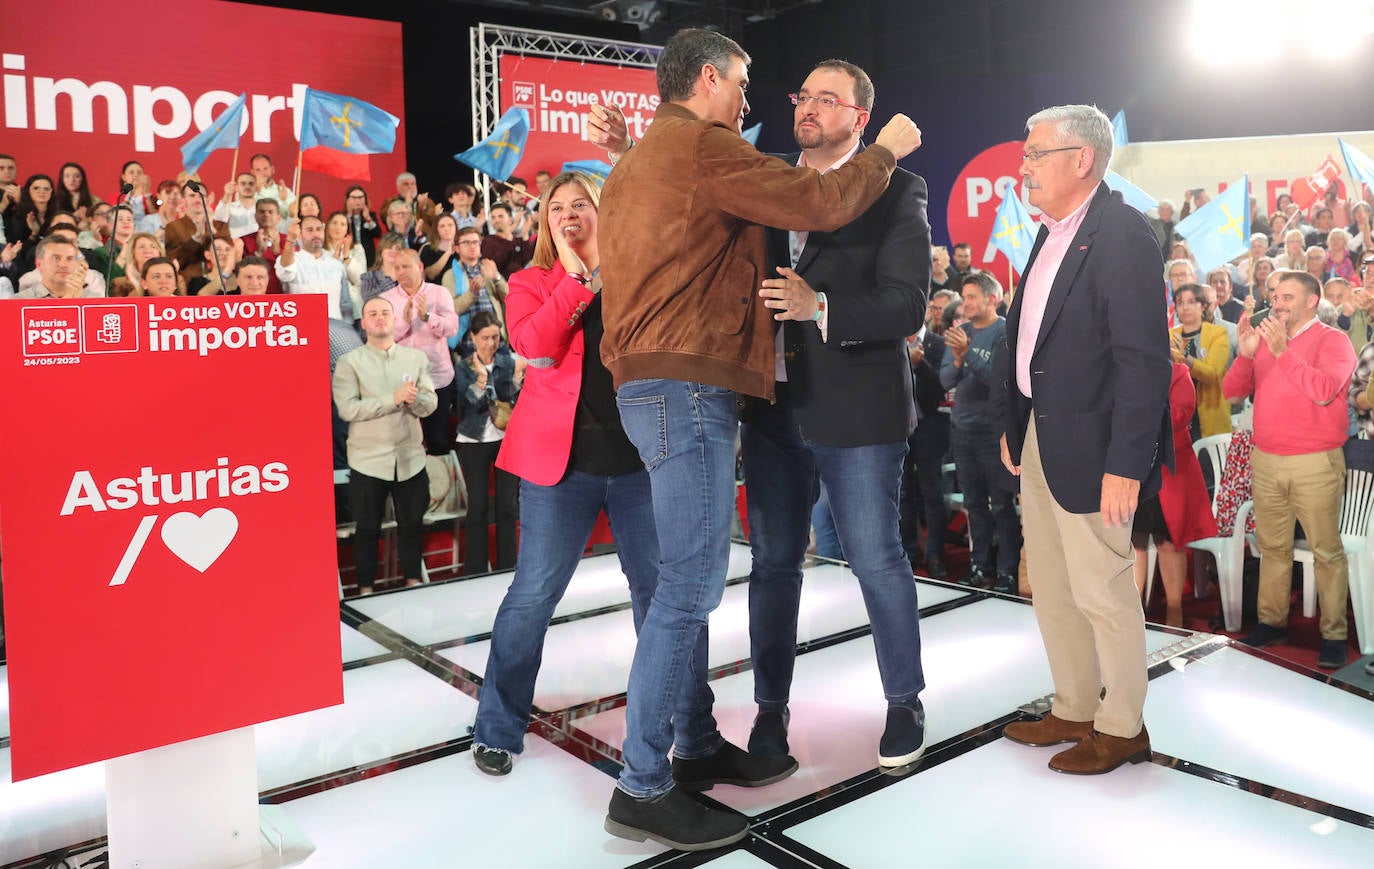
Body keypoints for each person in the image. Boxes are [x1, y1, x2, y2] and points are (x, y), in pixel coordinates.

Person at [589, 27, 921, 850]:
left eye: (820, 97)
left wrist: (828, 307)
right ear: (709, 79)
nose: (772, 103)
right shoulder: (713, 151)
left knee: (857, 558)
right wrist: (881, 150)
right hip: (710, 392)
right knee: (696, 587)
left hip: (778, 401)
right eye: (758, 87)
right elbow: (814, 203)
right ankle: (646, 782)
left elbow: (903, 299)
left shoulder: (654, 156)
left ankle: (703, 746)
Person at [471, 171, 662, 777]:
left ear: (606, 211)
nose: (570, 214)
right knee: (532, 597)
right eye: (558, 207)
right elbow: (536, 345)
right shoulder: (532, 281)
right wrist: (578, 281)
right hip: (560, 468)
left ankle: (668, 720)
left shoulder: (639, 274)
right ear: (545, 222)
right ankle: (498, 726)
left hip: (641, 465)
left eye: (582, 204)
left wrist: (609, 274)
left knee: (658, 597)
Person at [999, 104, 1171, 775]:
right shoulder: (1052, 232)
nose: (1024, 166)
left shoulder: (1123, 234)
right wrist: (1020, 427)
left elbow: (1144, 361)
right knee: (1054, 582)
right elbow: (1033, 343)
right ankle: (1073, 705)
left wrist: (1128, 462)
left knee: (1101, 588)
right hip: (1042, 435)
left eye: (1036, 152)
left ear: (1081, 160)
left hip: (1098, 450)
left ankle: (1122, 725)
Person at [1225, 271, 1358, 670]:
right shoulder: (1266, 339)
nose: (1277, 303)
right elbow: (1232, 392)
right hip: (1265, 459)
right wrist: (1247, 354)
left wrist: (1283, 351)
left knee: (1326, 552)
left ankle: (1334, 634)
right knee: (1273, 548)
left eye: (1286, 296)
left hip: (1316, 462)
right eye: (1275, 296)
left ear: (1312, 300)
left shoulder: (1335, 341)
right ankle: (1271, 621)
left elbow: (1322, 391)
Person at [332, 296, 437, 596]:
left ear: (395, 320)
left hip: (410, 457)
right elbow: (348, 410)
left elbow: (430, 404)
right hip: (368, 459)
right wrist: (392, 400)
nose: (380, 318)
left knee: (412, 525)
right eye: (372, 314)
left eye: (385, 313)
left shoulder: (415, 358)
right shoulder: (349, 362)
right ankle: (365, 590)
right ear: (362, 323)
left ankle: (414, 584)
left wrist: (413, 399)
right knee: (367, 529)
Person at [942, 271, 1019, 591]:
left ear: (992, 299)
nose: (966, 302)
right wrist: (959, 359)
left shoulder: (1005, 333)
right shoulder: (960, 333)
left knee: (1001, 504)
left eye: (972, 296)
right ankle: (979, 564)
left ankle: (1007, 570)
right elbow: (945, 381)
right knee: (974, 503)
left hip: (994, 434)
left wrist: (968, 352)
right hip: (963, 431)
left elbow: (998, 380)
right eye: (965, 296)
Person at [1131, 362, 1217, 627]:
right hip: (1132, 468)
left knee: (1168, 543)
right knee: (1134, 543)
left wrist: (1136, 412)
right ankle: (1133, 614)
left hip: (1170, 471)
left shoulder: (1178, 372)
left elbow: (1180, 416)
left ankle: (1174, 612)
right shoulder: (1122, 368)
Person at [452, 311, 520, 575]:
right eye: (484, 338)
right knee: (478, 505)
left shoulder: (506, 360)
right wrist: (481, 381)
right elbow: (468, 402)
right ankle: (476, 569)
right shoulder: (463, 366)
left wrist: (515, 381)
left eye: (495, 337)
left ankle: (508, 565)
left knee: (507, 505)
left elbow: (512, 397)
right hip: (473, 439)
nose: (490, 343)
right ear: (473, 337)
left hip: (504, 437)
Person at [382, 249, 459, 454]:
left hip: (436, 378)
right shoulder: (386, 300)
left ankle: (440, 485)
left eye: (406, 266)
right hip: (400, 382)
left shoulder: (438, 293)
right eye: (397, 268)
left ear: (420, 267)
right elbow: (381, 340)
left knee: (438, 440)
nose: (401, 272)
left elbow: (452, 328)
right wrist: (404, 323)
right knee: (403, 444)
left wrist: (427, 317)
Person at [1170, 282, 1231, 440]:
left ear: (1203, 306)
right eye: (1180, 302)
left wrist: (1184, 355)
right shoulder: (1169, 335)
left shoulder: (1217, 333)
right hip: (1179, 417)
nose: (1185, 307)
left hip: (1210, 418)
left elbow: (1212, 375)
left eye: (1191, 302)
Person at [276, 215, 354, 321]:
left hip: (336, 330)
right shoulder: (292, 260)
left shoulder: (336, 265)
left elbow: (345, 304)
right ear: (299, 235)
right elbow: (286, 272)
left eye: (319, 229)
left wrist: (347, 328)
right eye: (309, 230)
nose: (315, 234)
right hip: (304, 328)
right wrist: (290, 239)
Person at [445, 226, 508, 345]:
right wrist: (472, 294)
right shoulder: (450, 275)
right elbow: (453, 309)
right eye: (466, 242)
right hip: (468, 342)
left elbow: (509, 297)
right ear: (457, 248)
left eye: (475, 242)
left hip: (497, 339)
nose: (472, 246)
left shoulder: (488, 268)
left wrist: (497, 279)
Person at [14, 234, 102, 299]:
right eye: (56, 258)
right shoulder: (19, 301)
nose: (63, 265)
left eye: (69, 258)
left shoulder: (94, 300)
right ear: (39, 264)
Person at [324, 211, 366, 316]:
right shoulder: (319, 250)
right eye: (334, 223)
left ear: (347, 229)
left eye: (343, 224)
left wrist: (347, 256)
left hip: (354, 305)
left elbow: (361, 280)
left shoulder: (357, 249)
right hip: (328, 306)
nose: (338, 227)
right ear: (327, 226)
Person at [481, 203, 532, 278]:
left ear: (510, 220)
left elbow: (525, 261)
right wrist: (508, 240)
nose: (497, 220)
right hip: (502, 285)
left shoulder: (517, 240)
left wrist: (525, 234)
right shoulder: (489, 240)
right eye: (493, 217)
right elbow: (494, 264)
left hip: (522, 282)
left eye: (500, 216)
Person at [361, 233, 406, 304]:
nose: (393, 251)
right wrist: (389, 283)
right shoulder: (369, 277)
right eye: (389, 247)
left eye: (398, 248)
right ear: (381, 251)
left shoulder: (407, 276)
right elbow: (368, 300)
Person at [214, 173, 262, 240]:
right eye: (243, 183)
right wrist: (226, 195)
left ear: (256, 187)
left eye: (251, 184)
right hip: (237, 248)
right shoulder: (230, 208)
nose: (247, 187)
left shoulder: (263, 208)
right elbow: (218, 219)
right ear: (236, 187)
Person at [343, 185, 382, 266]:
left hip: (368, 257)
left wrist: (368, 218)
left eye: (360, 197)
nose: (357, 201)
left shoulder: (370, 215)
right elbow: (345, 234)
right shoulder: (342, 216)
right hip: (349, 256)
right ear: (347, 200)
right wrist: (349, 215)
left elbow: (378, 234)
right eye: (353, 198)